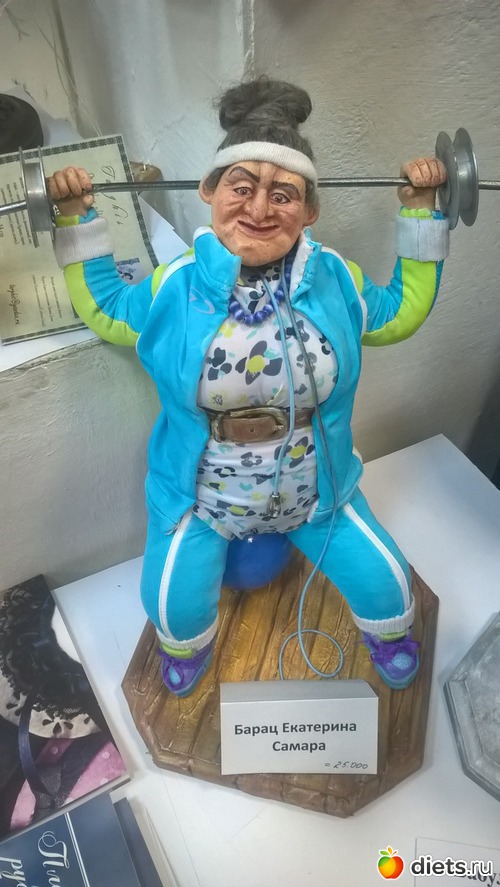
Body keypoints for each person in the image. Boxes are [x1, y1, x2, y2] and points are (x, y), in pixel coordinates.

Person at [48, 76, 448, 697]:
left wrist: (420, 210)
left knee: (389, 585)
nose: (259, 210)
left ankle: (388, 636)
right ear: (209, 192)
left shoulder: (335, 278)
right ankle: (186, 647)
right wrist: (77, 218)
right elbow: (107, 308)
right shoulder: (175, 284)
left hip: (319, 492)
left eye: (283, 195)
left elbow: (397, 312)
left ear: (310, 212)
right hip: (202, 498)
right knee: (171, 605)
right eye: (241, 187)